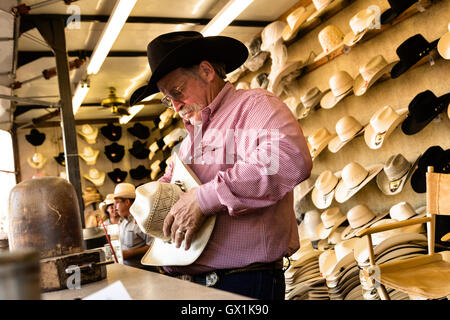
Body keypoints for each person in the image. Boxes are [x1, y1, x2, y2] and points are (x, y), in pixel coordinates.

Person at [129, 31, 312, 299]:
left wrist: (205, 199)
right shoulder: (191, 138)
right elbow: (172, 181)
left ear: (206, 71)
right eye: (168, 100)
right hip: (193, 286)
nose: (176, 106)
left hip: (242, 284)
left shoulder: (252, 106)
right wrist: (153, 202)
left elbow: (287, 158)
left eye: (178, 92)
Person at [112, 183, 154, 271]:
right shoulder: (123, 224)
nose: (114, 208)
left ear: (127, 202)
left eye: (117, 203)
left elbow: (153, 246)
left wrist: (130, 253)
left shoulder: (143, 221)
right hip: (127, 270)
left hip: (144, 271)